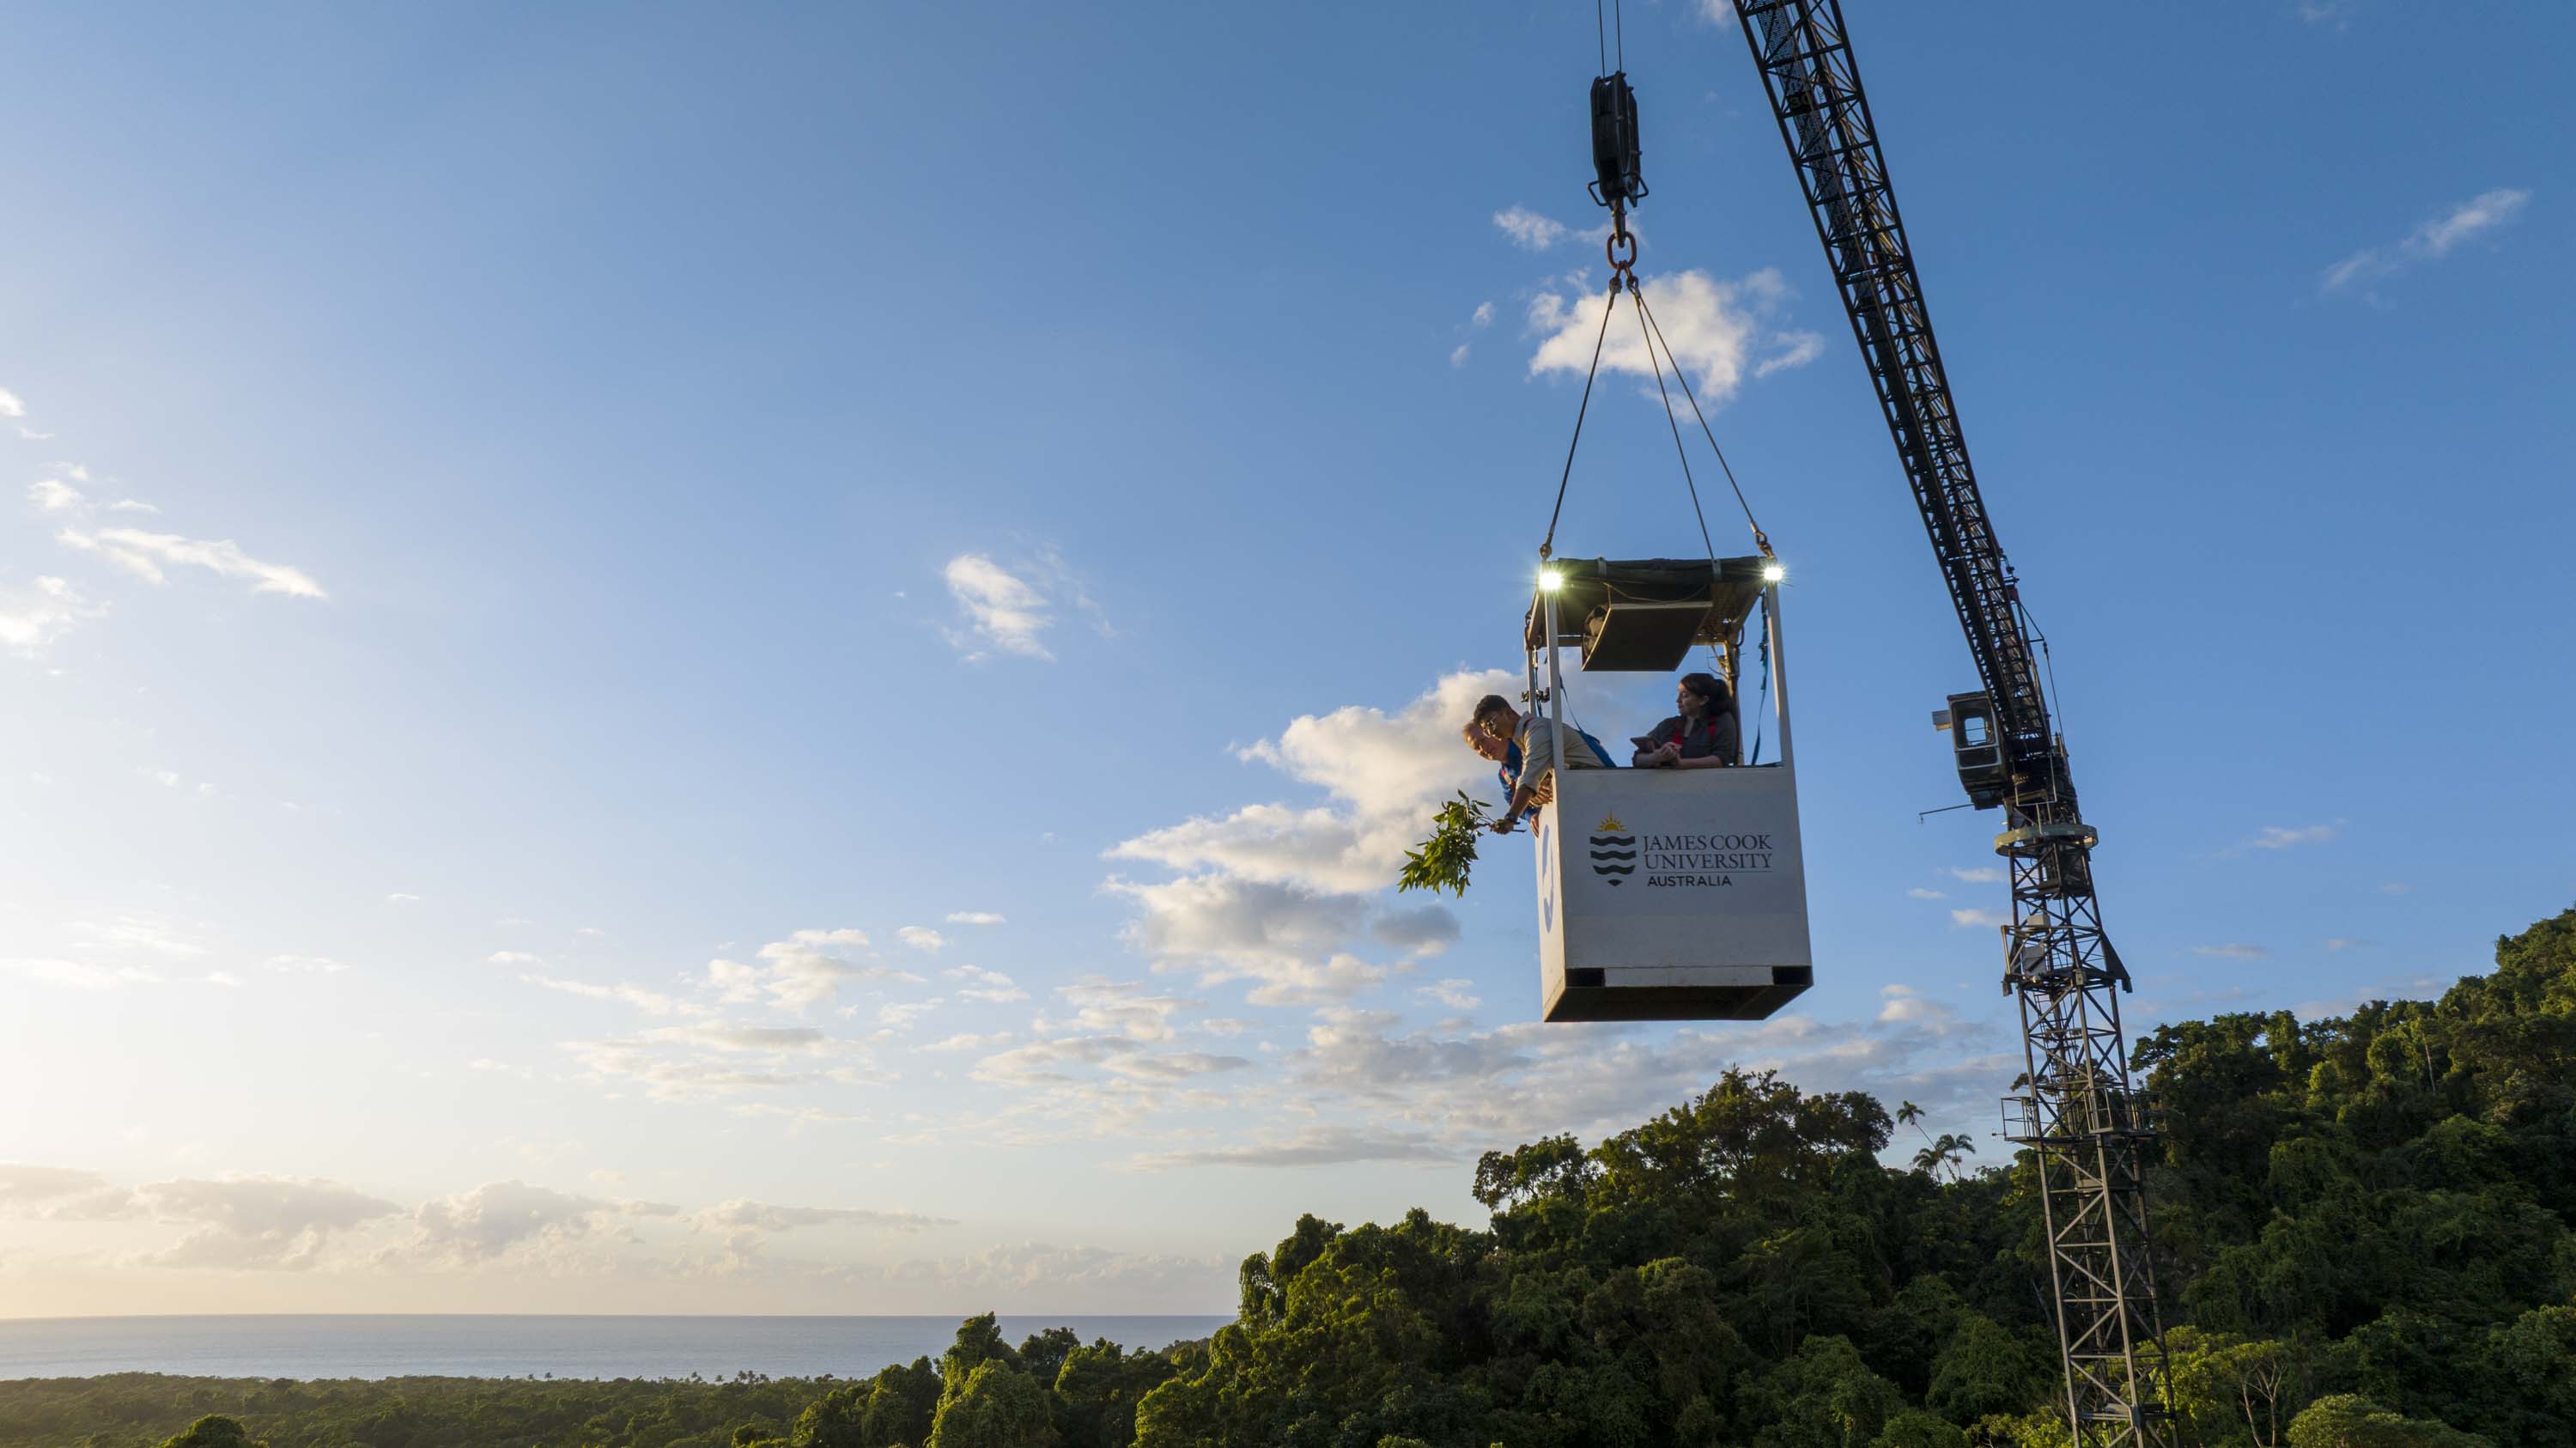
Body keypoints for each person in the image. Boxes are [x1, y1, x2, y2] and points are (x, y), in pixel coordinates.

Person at [1468, 694, 1613, 832]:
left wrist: (1511, 818)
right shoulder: (1523, 742)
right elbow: (1533, 782)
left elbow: (1530, 777)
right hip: (1586, 795)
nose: (1491, 731)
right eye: (1486, 730)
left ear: (1508, 713)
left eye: (1490, 723)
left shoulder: (1537, 731)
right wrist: (1535, 797)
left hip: (1600, 790)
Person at [1631, 671, 1741, 770]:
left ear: (1703, 700)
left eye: (1684, 695)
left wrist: (1681, 763)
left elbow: (1721, 759)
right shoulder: (1668, 725)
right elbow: (1637, 759)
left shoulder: (1722, 721)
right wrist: (1656, 757)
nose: (1678, 700)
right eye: (1678, 694)